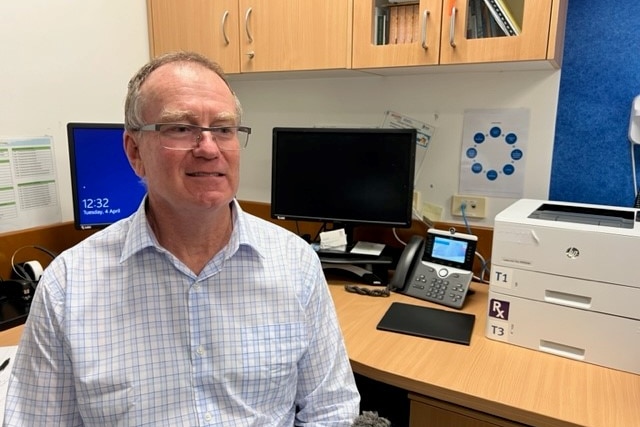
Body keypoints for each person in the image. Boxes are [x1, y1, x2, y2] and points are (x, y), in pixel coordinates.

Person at [4, 51, 360, 426]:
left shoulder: (295, 263)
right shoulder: (68, 286)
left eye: (223, 129)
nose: (208, 148)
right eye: (180, 128)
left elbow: (330, 408)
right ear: (134, 151)